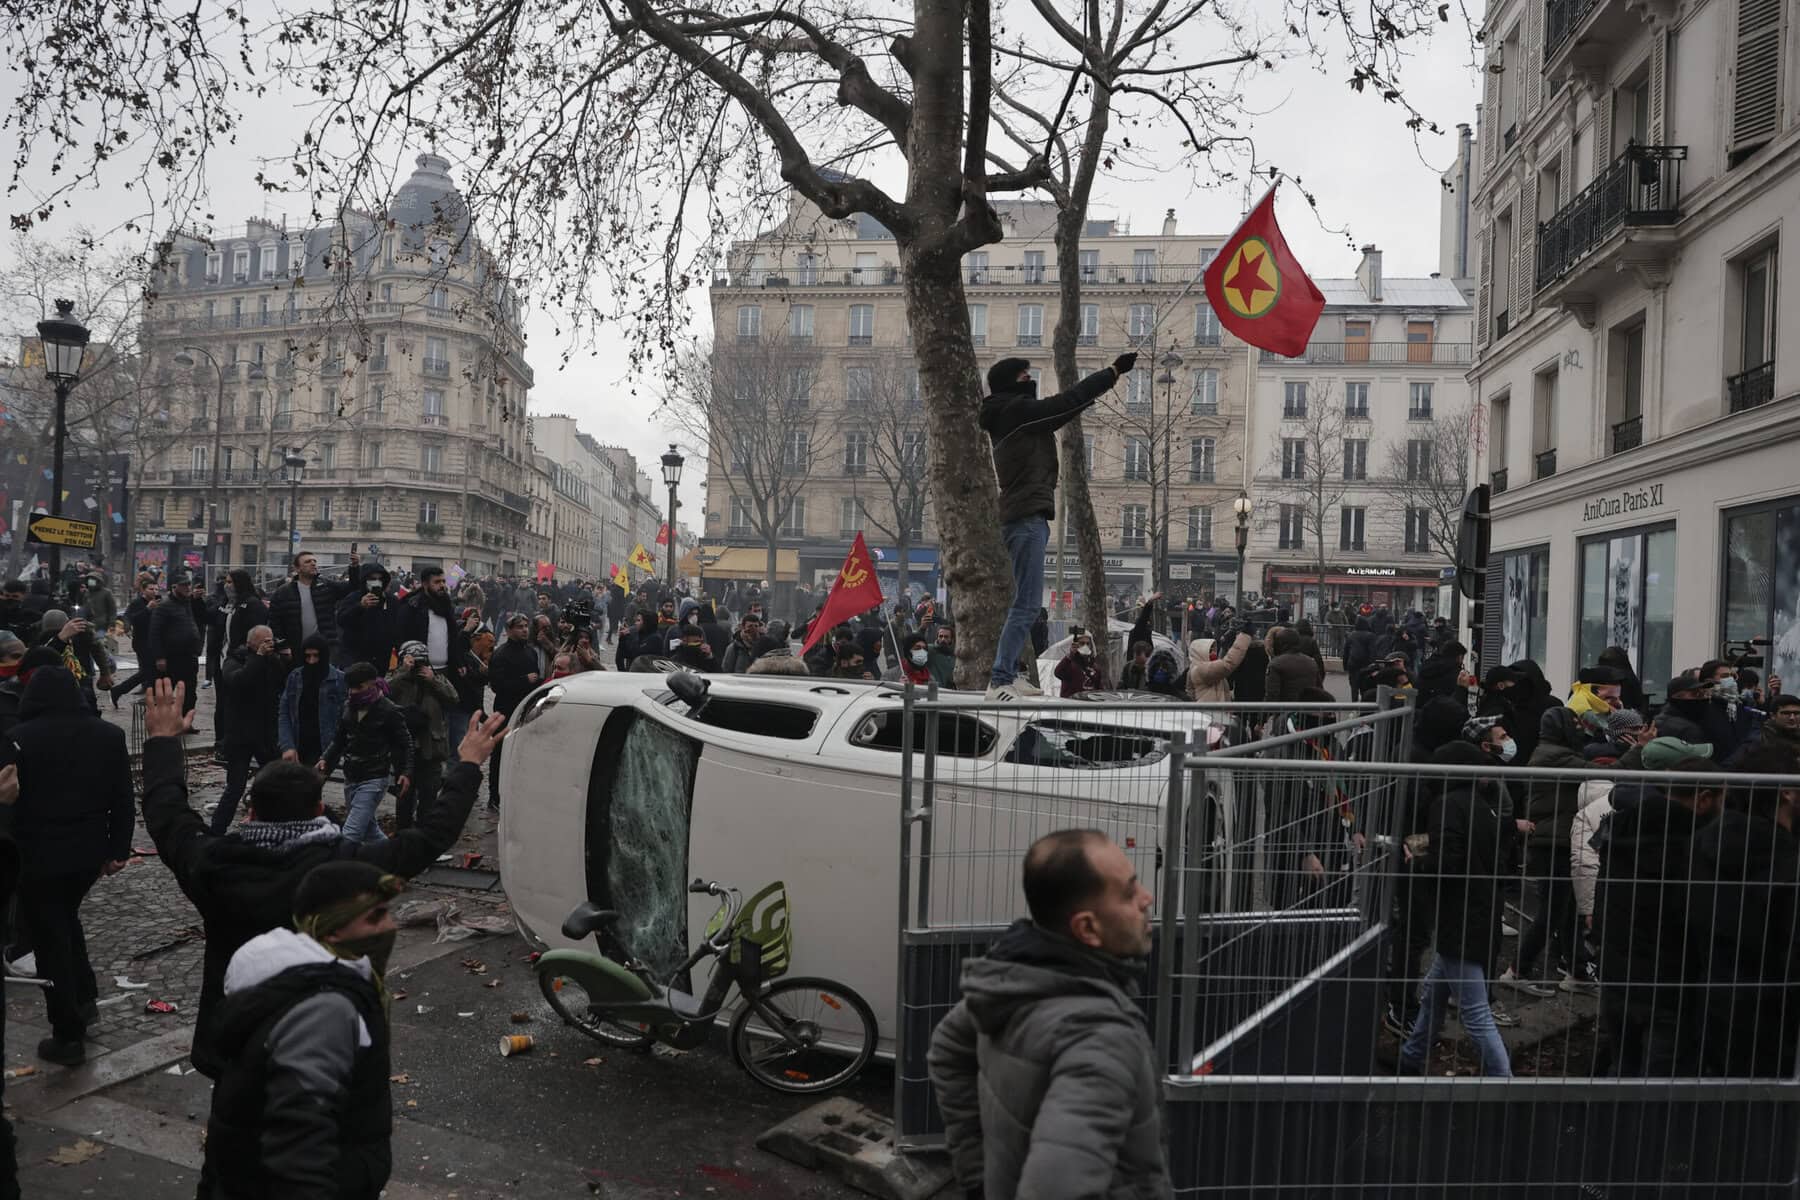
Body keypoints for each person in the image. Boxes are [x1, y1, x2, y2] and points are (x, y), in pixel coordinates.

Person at [139, 678, 499, 1086]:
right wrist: (467, 764)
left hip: (235, 1045)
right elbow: (432, 834)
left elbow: (165, 810)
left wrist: (163, 741)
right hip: (319, 1044)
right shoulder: (345, 868)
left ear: (252, 812)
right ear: (319, 809)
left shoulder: (213, 863)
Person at [927, 829, 1168, 1197]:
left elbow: (947, 1047)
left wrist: (978, 1178)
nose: (1146, 898)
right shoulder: (1100, 1037)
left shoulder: (1016, 983)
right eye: (1129, 891)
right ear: (1088, 928)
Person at [203, 861, 404, 1198]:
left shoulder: (302, 983)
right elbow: (299, 1142)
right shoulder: (325, 1008)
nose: (390, 926)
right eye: (375, 916)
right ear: (332, 930)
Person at [979, 352, 1136, 700]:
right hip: (1026, 517)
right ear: (1011, 382)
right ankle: (1001, 677)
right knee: (1027, 605)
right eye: (1024, 376)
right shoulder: (1016, 412)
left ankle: (1011, 671)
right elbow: (1066, 402)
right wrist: (1110, 373)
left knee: (1024, 603)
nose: (1029, 379)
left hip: (1025, 515)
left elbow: (1065, 410)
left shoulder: (1011, 415)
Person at [0, 668, 132, 1064]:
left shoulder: (18, 740)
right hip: (88, 853)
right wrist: (119, 849)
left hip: (37, 854)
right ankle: (85, 996)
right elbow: (123, 797)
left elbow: (11, 799)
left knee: (50, 938)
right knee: (65, 920)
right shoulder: (109, 735)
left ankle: (68, 1031)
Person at [1594, 749, 1723, 1076]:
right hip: (1669, 981)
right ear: (1704, 798)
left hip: (1618, 973)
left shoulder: (1622, 826)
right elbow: (1693, 915)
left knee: (1624, 1066)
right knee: (1664, 1081)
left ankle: (1609, 1126)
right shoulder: (1697, 844)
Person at [1397, 739, 1519, 1077]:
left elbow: (1448, 862)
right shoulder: (1483, 805)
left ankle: (1503, 1082)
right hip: (1480, 911)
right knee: (1434, 996)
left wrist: (1418, 861)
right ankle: (1411, 1056)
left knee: (1475, 1013)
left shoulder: (1448, 805)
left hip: (1459, 917)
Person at [1498, 706, 1596, 996]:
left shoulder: (1552, 753)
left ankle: (1577, 972)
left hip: (1556, 841)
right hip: (1553, 844)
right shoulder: (1558, 757)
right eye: (1575, 723)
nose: (1580, 728)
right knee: (1552, 913)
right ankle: (1518, 969)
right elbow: (1604, 773)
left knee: (1565, 911)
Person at [321, 663, 415, 845]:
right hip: (352, 775)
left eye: (359, 687)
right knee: (369, 830)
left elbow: (406, 743)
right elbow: (339, 739)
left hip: (375, 776)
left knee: (352, 832)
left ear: (372, 684)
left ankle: (340, 865)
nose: (353, 692)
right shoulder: (349, 706)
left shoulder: (388, 710)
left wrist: (406, 772)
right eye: (351, 687)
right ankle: (392, 859)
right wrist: (325, 758)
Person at [213, 625, 288, 834]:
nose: (268, 644)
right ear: (251, 643)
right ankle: (217, 830)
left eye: (270, 640)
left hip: (264, 734)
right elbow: (238, 682)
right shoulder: (233, 660)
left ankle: (274, 825)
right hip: (240, 735)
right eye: (264, 641)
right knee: (235, 787)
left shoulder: (271, 660)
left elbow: (280, 682)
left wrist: (280, 658)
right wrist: (258, 658)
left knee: (273, 783)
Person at [386, 640, 459, 833]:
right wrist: (403, 671)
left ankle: (424, 839)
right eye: (414, 661)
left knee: (429, 798)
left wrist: (433, 679)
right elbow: (383, 694)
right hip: (404, 749)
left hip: (431, 749)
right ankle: (402, 838)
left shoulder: (435, 678)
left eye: (421, 661)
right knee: (404, 799)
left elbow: (454, 698)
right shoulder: (397, 678)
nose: (417, 666)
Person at [399, 566, 474, 747]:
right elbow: (402, 637)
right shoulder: (413, 606)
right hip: (421, 671)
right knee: (424, 717)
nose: (442, 585)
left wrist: (458, 661)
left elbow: (452, 637)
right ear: (425, 584)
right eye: (437, 582)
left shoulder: (445, 604)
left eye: (443, 581)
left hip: (445, 671)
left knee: (445, 717)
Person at [487, 614, 543, 810]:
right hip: (505, 710)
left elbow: (535, 678)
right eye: (520, 627)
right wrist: (524, 680)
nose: (525, 630)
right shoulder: (501, 654)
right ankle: (494, 796)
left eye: (526, 626)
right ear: (509, 630)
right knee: (500, 753)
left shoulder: (531, 652)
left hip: (527, 709)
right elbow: (496, 685)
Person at [269, 551, 354, 659]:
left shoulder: (326, 586)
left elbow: (352, 588)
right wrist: (282, 646)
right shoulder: (283, 593)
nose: (313, 563)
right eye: (308, 562)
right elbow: (275, 622)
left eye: (314, 561)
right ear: (297, 568)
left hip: (325, 648)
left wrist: (354, 567)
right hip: (296, 650)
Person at [148, 571, 206, 715]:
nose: (188, 588)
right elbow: (155, 633)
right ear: (175, 587)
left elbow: (201, 620)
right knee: (165, 692)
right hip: (171, 657)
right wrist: (159, 656)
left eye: (188, 585)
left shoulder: (190, 604)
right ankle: (162, 721)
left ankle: (186, 721)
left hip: (189, 655)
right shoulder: (164, 606)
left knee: (189, 692)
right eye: (184, 585)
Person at [336, 563, 401, 675]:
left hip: (381, 660)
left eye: (380, 579)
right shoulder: (353, 597)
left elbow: (397, 628)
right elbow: (341, 620)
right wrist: (360, 606)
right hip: (355, 659)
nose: (376, 581)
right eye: (372, 579)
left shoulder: (391, 601)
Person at [1188, 631, 1250, 703]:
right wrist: (1244, 636)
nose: (1213, 653)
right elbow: (1228, 664)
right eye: (1210, 651)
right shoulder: (1201, 669)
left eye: (1214, 650)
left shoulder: (1198, 667)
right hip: (1210, 711)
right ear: (1200, 652)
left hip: (1211, 710)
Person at [1264, 627, 1323, 702]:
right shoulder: (1311, 662)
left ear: (1281, 644)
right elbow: (1319, 689)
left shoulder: (1275, 664)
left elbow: (1272, 694)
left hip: (1285, 709)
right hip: (1307, 710)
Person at [1053, 629, 1104, 698]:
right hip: (1071, 705)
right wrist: (1071, 655)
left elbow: (1099, 690)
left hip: (1090, 705)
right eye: (1082, 643)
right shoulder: (1069, 664)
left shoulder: (1095, 668)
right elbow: (1058, 673)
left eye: (1088, 643)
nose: (1085, 646)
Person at [926, 623, 958, 689]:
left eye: (946, 637)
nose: (943, 639)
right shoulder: (930, 651)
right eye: (940, 636)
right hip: (935, 690)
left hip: (951, 693)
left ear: (951, 639)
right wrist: (922, 629)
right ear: (937, 637)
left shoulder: (956, 655)